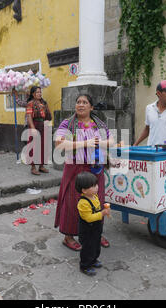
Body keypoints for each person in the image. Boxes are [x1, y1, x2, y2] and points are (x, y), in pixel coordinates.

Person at [54, 94, 114, 251]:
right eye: (78, 102)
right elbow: (59, 144)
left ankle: (95, 233)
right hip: (75, 169)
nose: (81, 105)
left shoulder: (99, 124)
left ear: (91, 107)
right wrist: (84, 143)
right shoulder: (68, 123)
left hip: (95, 169)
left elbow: (111, 140)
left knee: (97, 201)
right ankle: (68, 236)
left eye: (85, 102)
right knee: (73, 201)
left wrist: (99, 143)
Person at [133, 80, 166, 149]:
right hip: (151, 151)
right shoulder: (149, 108)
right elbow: (147, 129)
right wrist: (135, 144)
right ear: (159, 93)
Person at [75, 171, 111, 276]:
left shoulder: (94, 197)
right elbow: (89, 218)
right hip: (87, 230)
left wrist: (104, 209)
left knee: (96, 245)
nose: (96, 187)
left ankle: (94, 260)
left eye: (96, 185)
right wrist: (102, 213)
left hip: (95, 228)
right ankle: (85, 265)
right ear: (84, 190)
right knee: (87, 248)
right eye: (93, 186)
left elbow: (96, 208)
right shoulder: (83, 203)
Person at [25, 86, 52, 175]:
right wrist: (32, 128)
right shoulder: (30, 103)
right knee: (33, 146)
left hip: (43, 125)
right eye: (37, 92)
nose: (39, 94)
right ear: (33, 94)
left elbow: (47, 115)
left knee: (43, 145)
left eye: (40, 92)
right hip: (35, 124)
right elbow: (29, 116)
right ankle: (33, 167)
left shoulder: (43, 103)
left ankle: (41, 166)